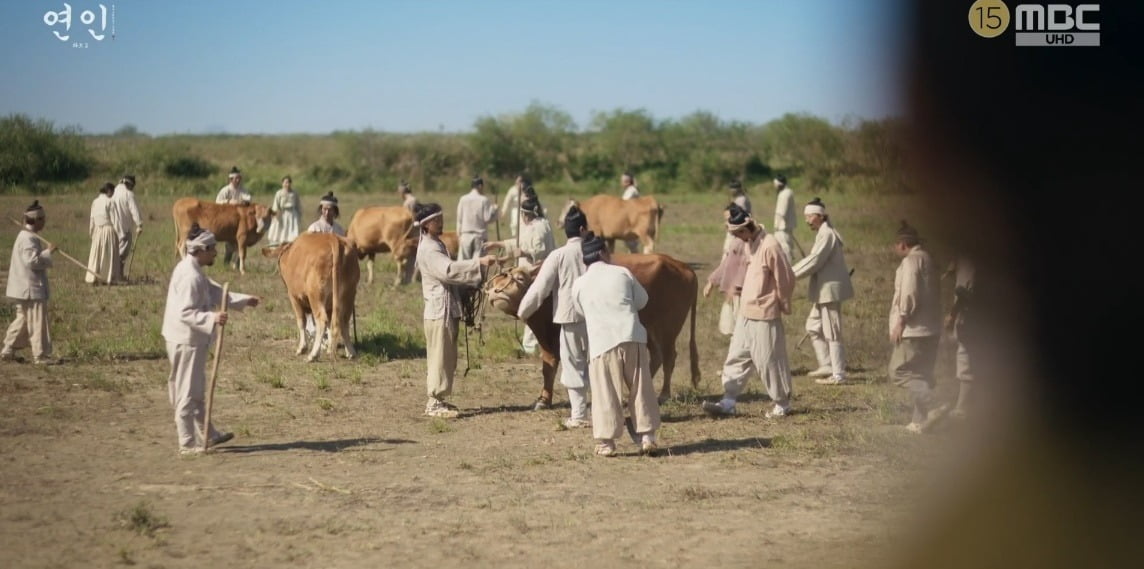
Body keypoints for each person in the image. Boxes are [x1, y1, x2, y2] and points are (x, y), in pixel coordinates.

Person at [161, 223, 260, 454]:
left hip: (191, 339)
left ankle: (208, 433)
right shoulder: (189, 276)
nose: (216, 252)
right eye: (213, 248)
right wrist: (213, 318)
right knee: (187, 391)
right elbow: (184, 313)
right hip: (185, 340)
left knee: (196, 389)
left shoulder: (194, 270)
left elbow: (217, 293)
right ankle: (187, 443)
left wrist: (244, 300)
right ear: (202, 249)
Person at [701, 205, 797, 418]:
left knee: (769, 360)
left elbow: (786, 278)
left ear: (746, 229)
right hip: (745, 312)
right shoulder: (748, 244)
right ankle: (728, 401)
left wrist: (781, 303)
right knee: (736, 356)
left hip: (765, 314)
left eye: (737, 234)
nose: (737, 238)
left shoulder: (770, 245)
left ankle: (782, 403)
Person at [571, 232, 661, 456]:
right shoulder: (622, 272)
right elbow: (642, 300)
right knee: (641, 388)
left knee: (605, 392)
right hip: (632, 335)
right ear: (603, 252)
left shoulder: (580, 284)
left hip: (602, 342)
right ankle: (647, 436)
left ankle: (607, 443)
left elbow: (580, 311)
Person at [414, 203, 497, 418]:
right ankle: (433, 403)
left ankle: (439, 399)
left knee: (447, 357)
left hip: (446, 308)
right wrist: (478, 262)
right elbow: (448, 271)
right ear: (426, 225)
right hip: (438, 310)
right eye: (436, 220)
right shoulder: (429, 249)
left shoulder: (436, 244)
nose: (441, 222)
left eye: (440, 218)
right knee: (439, 357)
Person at [516, 205, 592, 428]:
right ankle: (601, 411)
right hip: (595, 317)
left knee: (573, 366)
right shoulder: (594, 252)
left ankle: (579, 415)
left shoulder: (557, 255)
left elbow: (539, 289)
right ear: (583, 229)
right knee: (596, 365)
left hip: (569, 318)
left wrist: (523, 312)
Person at [887, 221, 946, 434]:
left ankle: (934, 403)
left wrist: (901, 321)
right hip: (931, 327)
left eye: (896, 244)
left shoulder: (911, 262)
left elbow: (909, 294)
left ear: (903, 244)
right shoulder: (928, 259)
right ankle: (920, 421)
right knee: (921, 373)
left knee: (899, 371)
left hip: (914, 328)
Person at [791, 197, 854, 385]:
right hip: (823, 291)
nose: (806, 220)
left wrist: (789, 274)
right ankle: (826, 364)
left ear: (819, 216)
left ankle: (838, 374)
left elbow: (814, 260)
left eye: (809, 216)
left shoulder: (827, 234)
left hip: (829, 291)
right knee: (813, 326)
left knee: (832, 331)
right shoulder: (823, 233)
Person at [485, 196, 557, 355]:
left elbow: (537, 251)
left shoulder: (540, 227)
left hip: (537, 273)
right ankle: (533, 345)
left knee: (533, 309)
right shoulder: (533, 226)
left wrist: (523, 252)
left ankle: (531, 347)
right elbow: (519, 243)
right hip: (529, 273)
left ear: (525, 215)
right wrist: (500, 248)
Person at [1, 201, 58, 365]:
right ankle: (39, 356)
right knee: (37, 321)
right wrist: (49, 252)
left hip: (27, 287)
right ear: (37, 220)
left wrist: (46, 251)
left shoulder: (29, 236)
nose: (45, 222)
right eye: (43, 219)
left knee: (24, 321)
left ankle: (8, 350)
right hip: (30, 288)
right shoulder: (27, 238)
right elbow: (31, 261)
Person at [704, 203, 751, 336]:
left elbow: (740, 267)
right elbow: (726, 263)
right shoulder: (736, 240)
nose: (725, 223)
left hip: (744, 292)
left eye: (728, 219)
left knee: (742, 331)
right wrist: (711, 282)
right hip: (737, 291)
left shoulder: (743, 242)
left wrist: (735, 286)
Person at [944, 254, 976, 420]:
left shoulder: (967, 261)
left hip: (969, 314)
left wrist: (952, 315)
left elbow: (963, 292)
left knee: (965, 356)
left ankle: (962, 407)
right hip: (970, 313)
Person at [86, 182, 122, 286]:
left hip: (98, 231)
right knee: (108, 255)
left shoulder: (95, 202)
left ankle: (95, 277)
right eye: (113, 192)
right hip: (108, 230)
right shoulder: (109, 202)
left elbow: (92, 219)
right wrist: (119, 233)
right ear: (109, 191)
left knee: (98, 254)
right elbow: (115, 219)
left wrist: (92, 232)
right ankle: (108, 277)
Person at [456, 176, 498, 260]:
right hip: (479, 236)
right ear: (480, 186)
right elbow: (487, 219)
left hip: (465, 235)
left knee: (464, 264)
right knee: (478, 264)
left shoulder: (463, 199)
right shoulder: (484, 200)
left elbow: (459, 218)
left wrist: (458, 234)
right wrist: (494, 210)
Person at [216, 167, 252, 265]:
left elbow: (248, 199)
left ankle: (236, 264)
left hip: (240, 219)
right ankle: (226, 262)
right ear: (231, 179)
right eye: (236, 178)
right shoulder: (225, 190)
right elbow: (217, 202)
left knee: (240, 241)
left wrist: (242, 202)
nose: (238, 180)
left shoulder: (243, 189)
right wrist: (229, 202)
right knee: (229, 242)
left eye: (239, 178)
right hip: (228, 219)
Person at [109, 174, 142, 276]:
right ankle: (118, 274)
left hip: (112, 227)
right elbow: (134, 210)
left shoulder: (113, 192)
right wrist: (139, 224)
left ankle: (112, 273)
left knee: (113, 251)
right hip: (124, 228)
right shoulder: (128, 194)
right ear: (130, 185)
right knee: (122, 254)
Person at [266, 176, 301, 247]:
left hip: (292, 214)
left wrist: (298, 213)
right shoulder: (279, 193)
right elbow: (276, 204)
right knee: (281, 228)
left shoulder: (294, 193)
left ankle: (291, 243)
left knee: (291, 228)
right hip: (282, 213)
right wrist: (275, 213)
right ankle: (279, 243)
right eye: (285, 183)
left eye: (288, 183)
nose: (287, 184)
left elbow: (298, 204)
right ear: (282, 183)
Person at [772, 175, 800, 263]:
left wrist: (777, 225)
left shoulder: (784, 194)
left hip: (782, 226)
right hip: (786, 226)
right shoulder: (788, 192)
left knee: (784, 247)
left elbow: (781, 212)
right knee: (787, 246)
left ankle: (787, 265)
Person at [620, 172, 642, 253]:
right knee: (630, 243)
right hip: (630, 217)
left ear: (628, 182)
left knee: (631, 242)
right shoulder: (630, 190)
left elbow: (624, 202)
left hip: (633, 219)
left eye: (622, 181)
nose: (621, 183)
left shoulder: (632, 191)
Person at [501, 173, 526, 238]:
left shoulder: (525, 189)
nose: (519, 182)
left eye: (521, 181)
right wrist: (504, 211)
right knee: (514, 224)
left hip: (524, 210)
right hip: (515, 210)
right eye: (518, 181)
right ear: (515, 181)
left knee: (524, 225)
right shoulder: (512, 190)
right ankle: (514, 237)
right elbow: (507, 201)